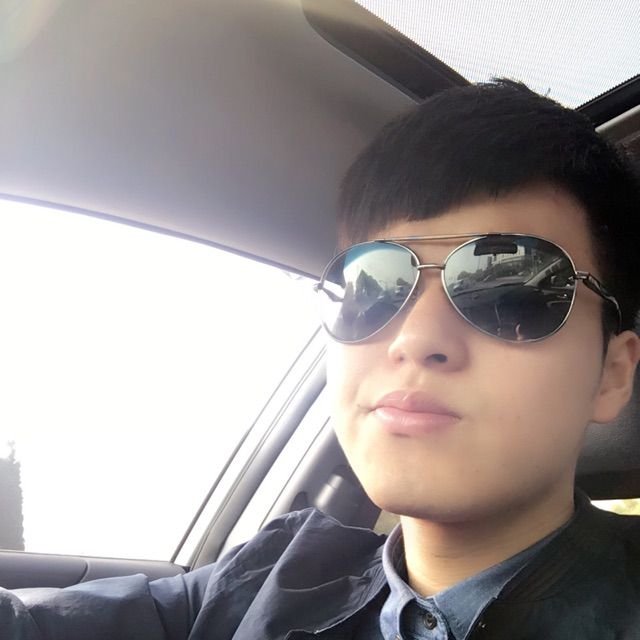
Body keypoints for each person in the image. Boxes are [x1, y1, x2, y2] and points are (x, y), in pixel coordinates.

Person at [2, 80, 640, 639]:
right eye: (374, 287)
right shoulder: (267, 579)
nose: (414, 336)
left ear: (612, 374)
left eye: (510, 291)